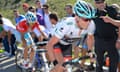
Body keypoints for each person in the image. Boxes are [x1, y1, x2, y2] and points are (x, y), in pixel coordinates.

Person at [46, 1, 96, 72]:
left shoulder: (91, 24)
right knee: (60, 66)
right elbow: (49, 45)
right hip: (55, 42)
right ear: (77, 17)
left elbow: (90, 38)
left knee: (66, 68)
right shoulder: (67, 24)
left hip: (67, 44)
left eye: (90, 19)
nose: (88, 22)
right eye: (86, 19)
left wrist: (90, 51)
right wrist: (55, 63)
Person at [93, 0, 119, 72]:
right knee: (98, 63)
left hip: (112, 40)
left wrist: (111, 20)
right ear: (95, 3)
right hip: (99, 40)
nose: (100, 4)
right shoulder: (93, 12)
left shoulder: (112, 9)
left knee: (113, 62)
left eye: (102, 1)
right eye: (98, 2)